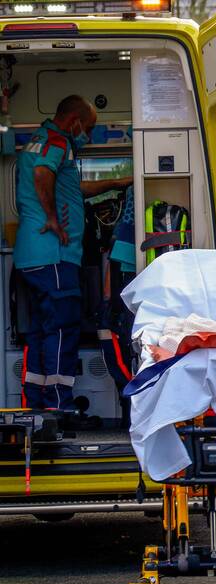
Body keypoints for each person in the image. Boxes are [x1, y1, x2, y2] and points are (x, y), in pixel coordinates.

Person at [14, 94, 131, 410]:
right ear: (75, 121)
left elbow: (73, 189)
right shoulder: (57, 140)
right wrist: (53, 218)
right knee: (64, 327)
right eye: (89, 127)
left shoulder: (41, 140)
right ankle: (59, 403)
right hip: (53, 255)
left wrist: (118, 182)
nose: (88, 135)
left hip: (32, 257)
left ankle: (36, 401)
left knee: (40, 329)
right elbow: (43, 175)